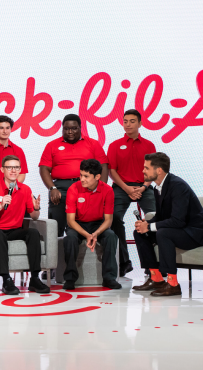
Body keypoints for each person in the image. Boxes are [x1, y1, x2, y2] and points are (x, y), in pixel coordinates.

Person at [133, 153, 203, 296]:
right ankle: (156, 278)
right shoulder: (158, 187)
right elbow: (161, 217)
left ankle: (173, 284)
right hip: (180, 229)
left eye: (146, 168)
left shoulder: (178, 186)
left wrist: (151, 226)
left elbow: (178, 220)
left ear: (159, 170)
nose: (143, 171)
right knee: (139, 232)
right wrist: (146, 224)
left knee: (163, 233)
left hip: (193, 232)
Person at [0, 155, 50, 295]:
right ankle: (6, 280)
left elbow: (34, 217)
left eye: (16, 167)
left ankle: (35, 278)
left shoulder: (25, 189)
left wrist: (36, 208)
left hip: (14, 230)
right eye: (9, 167)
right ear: (2, 169)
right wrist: (1, 205)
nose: (13, 171)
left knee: (33, 233)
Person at [39, 114, 109, 237]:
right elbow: (44, 169)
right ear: (62, 129)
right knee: (55, 222)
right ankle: (55, 251)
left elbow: (103, 166)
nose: (70, 132)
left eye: (74, 128)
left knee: (92, 221)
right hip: (61, 186)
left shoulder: (93, 144)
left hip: (87, 186)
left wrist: (100, 188)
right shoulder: (52, 145)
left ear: (80, 128)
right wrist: (52, 188)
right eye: (66, 129)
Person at [107, 109, 156, 277]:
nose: (128, 124)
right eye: (125, 121)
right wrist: (127, 188)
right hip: (122, 187)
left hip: (144, 186)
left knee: (154, 217)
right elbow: (112, 171)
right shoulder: (114, 145)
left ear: (140, 123)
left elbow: (153, 171)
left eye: (132, 121)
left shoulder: (149, 145)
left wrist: (144, 186)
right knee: (112, 217)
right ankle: (124, 262)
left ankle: (153, 265)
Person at [63, 159, 121, 290]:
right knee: (70, 239)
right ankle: (70, 278)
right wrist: (87, 235)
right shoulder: (73, 188)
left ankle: (109, 278)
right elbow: (70, 221)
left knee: (111, 236)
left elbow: (108, 220)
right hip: (77, 224)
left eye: (86, 176)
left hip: (97, 224)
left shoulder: (107, 190)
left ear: (97, 177)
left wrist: (95, 234)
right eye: (81, 175)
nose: (82, 179)